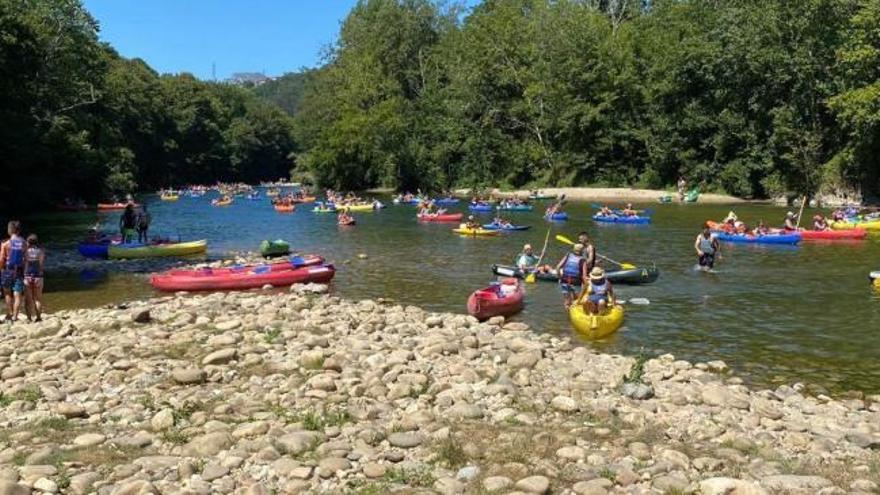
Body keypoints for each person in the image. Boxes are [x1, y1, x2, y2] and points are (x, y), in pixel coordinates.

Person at [0, 221, 26, 322]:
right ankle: (15, 316)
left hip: (7, 270)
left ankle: (10, 314)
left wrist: (1, 269)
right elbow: (26, 257)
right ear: (18, 230)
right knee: (17, 294)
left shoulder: (5, 244)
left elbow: (1, 259)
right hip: (19, 271)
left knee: (7, 293)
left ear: (9, 231)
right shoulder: (24, 243)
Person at [556, 243, 587, 309]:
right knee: (576, 301)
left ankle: (567, 313)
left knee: (567, 301)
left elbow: (558, 267)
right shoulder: (583, 260)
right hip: (575, 282)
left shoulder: (568, 255)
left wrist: (560, 277)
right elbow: (584, 276)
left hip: (564, 280)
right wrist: (586, 285)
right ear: (582, 251)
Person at [23, 234, 44, 322]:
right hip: (38, 276)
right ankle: (38, 317)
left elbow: (25, 263)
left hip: (27, 275)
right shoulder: (40, 252)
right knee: (38, 298)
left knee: (28, 299)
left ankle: (29, 318)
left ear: (28, 242)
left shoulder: (26, 252)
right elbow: (41, 264)